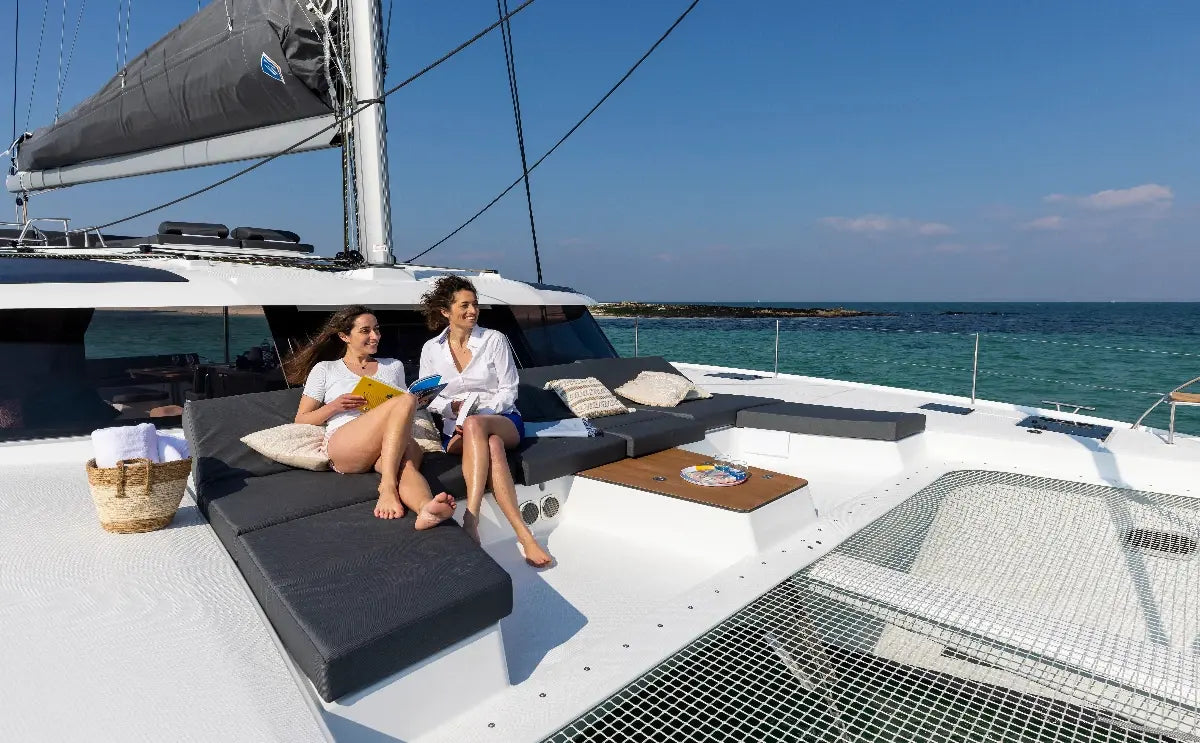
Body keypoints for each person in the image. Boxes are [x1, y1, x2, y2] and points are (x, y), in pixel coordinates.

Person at [418, 276, 553, 567]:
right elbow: (428, 397)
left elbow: (509, 390)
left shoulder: (494, 340)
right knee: (489, 445)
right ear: (445, 311)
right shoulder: (431, 349)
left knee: (479, 426)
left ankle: (472, 516)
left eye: (475, 305)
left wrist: (477, 410)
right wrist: (452, 407)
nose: (472, 311)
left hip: (503, 420)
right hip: (455, 429)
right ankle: (524, 535)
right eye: (464, 305)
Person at [285, 305, 456, 526]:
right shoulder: (326, 369)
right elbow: (301, 419)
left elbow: (402, 411)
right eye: (365, 331)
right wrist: (334, 407)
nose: (375, 336)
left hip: (390, 443)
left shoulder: (393, 366)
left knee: (406, 463)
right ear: (344, 336)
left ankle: (425, 508)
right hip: (348, 444)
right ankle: (387, 486)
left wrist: (418, 403)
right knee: (404, 400)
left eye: (377, 329)